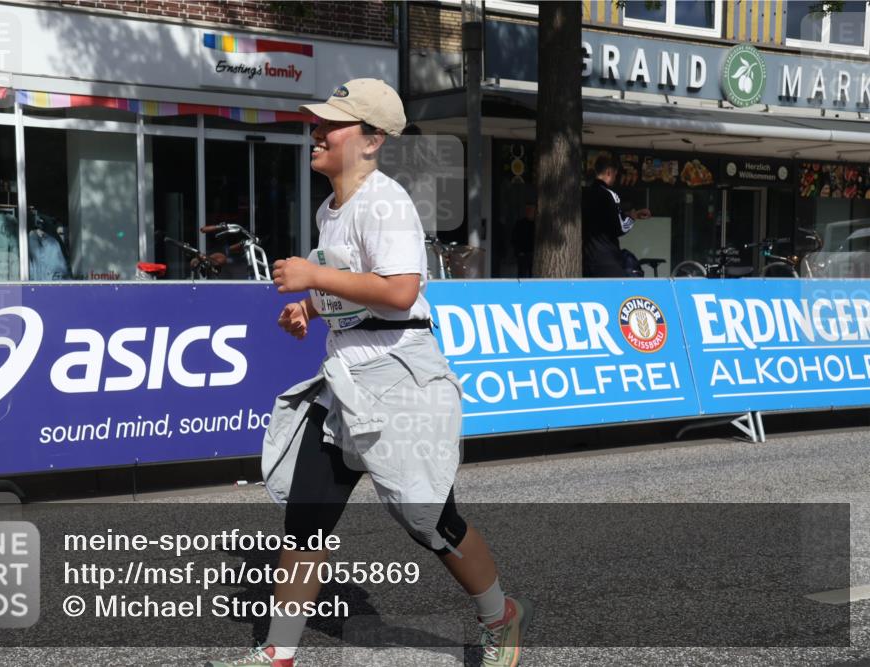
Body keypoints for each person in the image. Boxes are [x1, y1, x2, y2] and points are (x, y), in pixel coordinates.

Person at [206, 79, 532, 667]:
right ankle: (278, 654)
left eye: (333, 123)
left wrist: (314, 278)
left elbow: (403, 289)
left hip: (398, 376)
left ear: (372, 140)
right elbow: (355, 283)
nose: (317, 130)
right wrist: (308, 306)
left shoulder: (385, 201)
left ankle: (499, 613)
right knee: (306, 519)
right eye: (318, 121)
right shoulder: (333, 208)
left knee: (430, 521)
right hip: (346, 380)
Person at [581, 154, 651, 277]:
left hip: (586, 259)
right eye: (615, 175)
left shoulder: (585, 194)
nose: (615, 179)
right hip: (607, 260)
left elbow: (602, 219)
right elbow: (620, 227)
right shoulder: (609, 195)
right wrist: (632, 217)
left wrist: (627, 214)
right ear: (609, 172)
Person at [510, 200, 535, 278]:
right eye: (527, 209)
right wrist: (519, 252)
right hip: (523, 255)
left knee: (534, 276)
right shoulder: (520, 224)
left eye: (531, 209)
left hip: (535, 255)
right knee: (522, 276)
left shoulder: (538, 224)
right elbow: (514, 239)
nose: (529, 211)